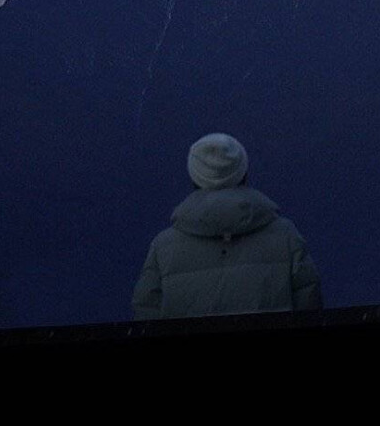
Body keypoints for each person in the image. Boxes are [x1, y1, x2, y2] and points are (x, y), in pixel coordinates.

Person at [131, 131, 323, 320]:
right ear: (244, 173)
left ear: (194, 177)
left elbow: (146, 319)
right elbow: (310, 310)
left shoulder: (163, 247)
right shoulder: (286, 236)